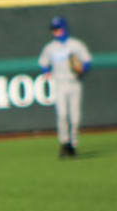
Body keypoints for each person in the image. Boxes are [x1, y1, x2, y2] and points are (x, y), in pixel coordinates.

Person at [38, 15, 92, 157]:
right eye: (54, 29)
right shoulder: (50, 48)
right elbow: (43, 62)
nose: (55, 31)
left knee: (75, 118)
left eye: (58, 28)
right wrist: (46, 71)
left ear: (64, 28)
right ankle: (63, 142)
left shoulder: (76, 45)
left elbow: (87, 61)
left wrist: (83, 69)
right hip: (60, 84)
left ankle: (72, 145)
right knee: (62, 115)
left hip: (75, 83)